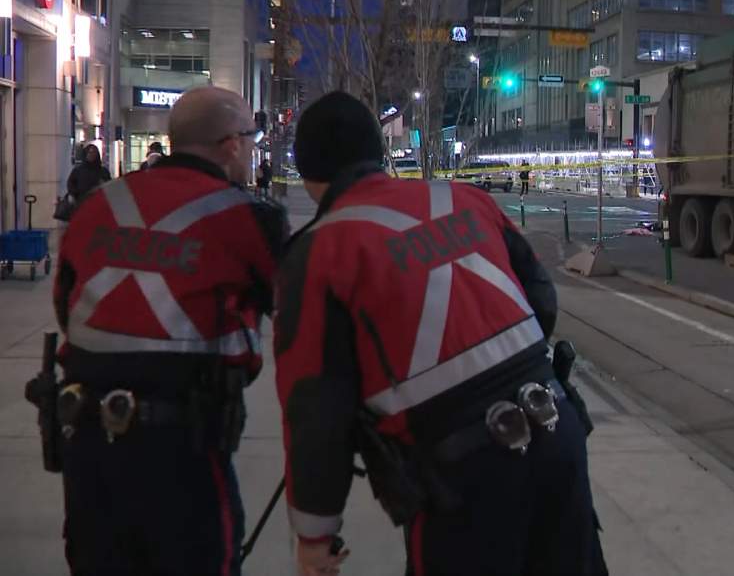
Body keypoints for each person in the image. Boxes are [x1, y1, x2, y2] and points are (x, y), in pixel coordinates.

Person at [273, 91, 606, 576]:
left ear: (306, 176)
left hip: (462, 478)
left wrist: (314, 535)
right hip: (556, 434)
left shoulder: (318, 252)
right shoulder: (461, 197)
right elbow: (542, 299)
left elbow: (314, 409)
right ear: (379, 154)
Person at [47, 86, 287, 575]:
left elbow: (63, 305)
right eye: (250, 137)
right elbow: (293, 309)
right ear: (231, 144)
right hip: (184, 456)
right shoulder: (249, 218)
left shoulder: (98, 205)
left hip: (89, 452)